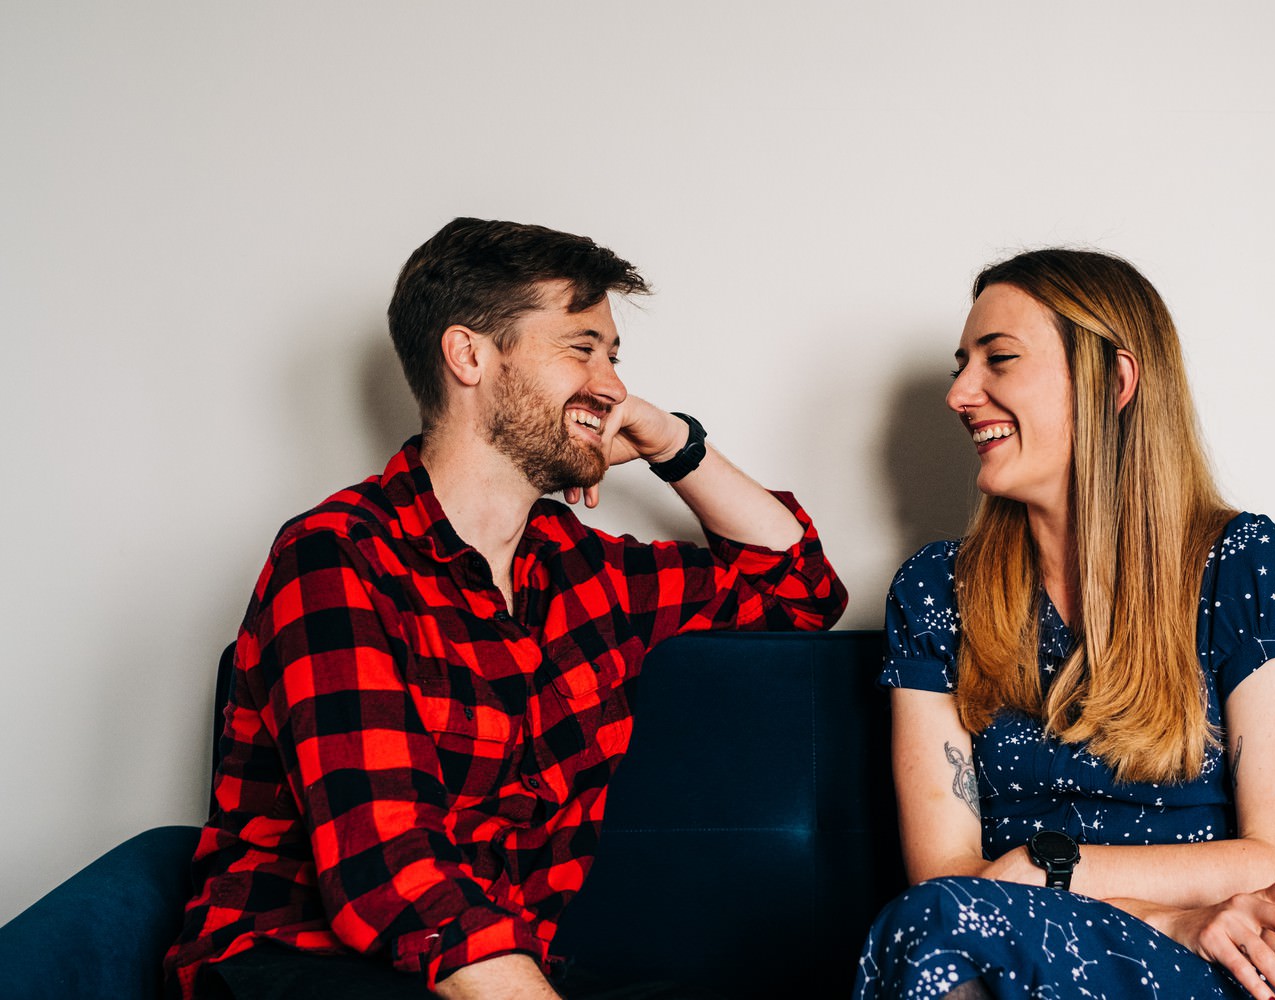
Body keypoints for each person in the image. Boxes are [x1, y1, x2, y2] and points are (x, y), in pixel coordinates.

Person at [164, 218, 847, 1000]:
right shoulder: (336, 557)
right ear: (470, 355)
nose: (615, 385)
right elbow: (387, 869)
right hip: (300, 969)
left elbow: (798, 587)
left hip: (492, 974)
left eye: (615, 357)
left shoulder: (581, 569)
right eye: (581, 348)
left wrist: (674, 444)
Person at [853, 249, 1275, 1000]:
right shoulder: (935, 589)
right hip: (1006, 949)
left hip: (1211, 957)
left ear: (1114, 382)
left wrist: (1044, 864)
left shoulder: (1241, 564)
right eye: (960, 364)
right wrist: (1160, 914)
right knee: (935, 925)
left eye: (997, 360)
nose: (959, 393)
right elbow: (944, 880)